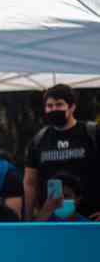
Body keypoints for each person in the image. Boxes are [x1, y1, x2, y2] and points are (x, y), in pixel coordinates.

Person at [24, 85, 99, 220]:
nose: (54, 109)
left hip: (91, 218)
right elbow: (30, 181)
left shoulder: (92, 133)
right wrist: (28, 219)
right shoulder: (39, 139)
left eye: (59, 104)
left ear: (72, 107)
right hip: (51, 220)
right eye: (49, 106)